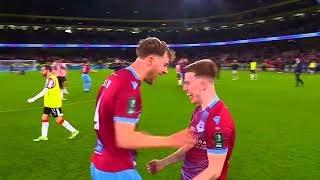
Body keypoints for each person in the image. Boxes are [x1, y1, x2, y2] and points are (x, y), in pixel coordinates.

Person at [90, 37, 196, 180]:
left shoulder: (116, 77)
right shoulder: (129, 87)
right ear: (151, 60)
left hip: (100, 162)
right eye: (164, 65)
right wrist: (172, 140)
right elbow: (125, 139)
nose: (165, 71)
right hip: (116, 170)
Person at [147, 59, 236, 180]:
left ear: (203, 84)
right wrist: (164, 162)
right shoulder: (199, 111)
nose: (184, 88)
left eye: (188, 83)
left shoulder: (219, 123)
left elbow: (214, 171)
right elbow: (191, 145)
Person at [27, 65, 79, 142]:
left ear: (47, 70)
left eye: (42, 70)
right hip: (48, 103)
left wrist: (33, 99)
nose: (41, 72)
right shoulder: (50, 78)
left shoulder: (51, 79)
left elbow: (44, 91)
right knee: (44, 118)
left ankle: (74, 131)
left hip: (54, 104)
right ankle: (44, 136)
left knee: (59, 120)